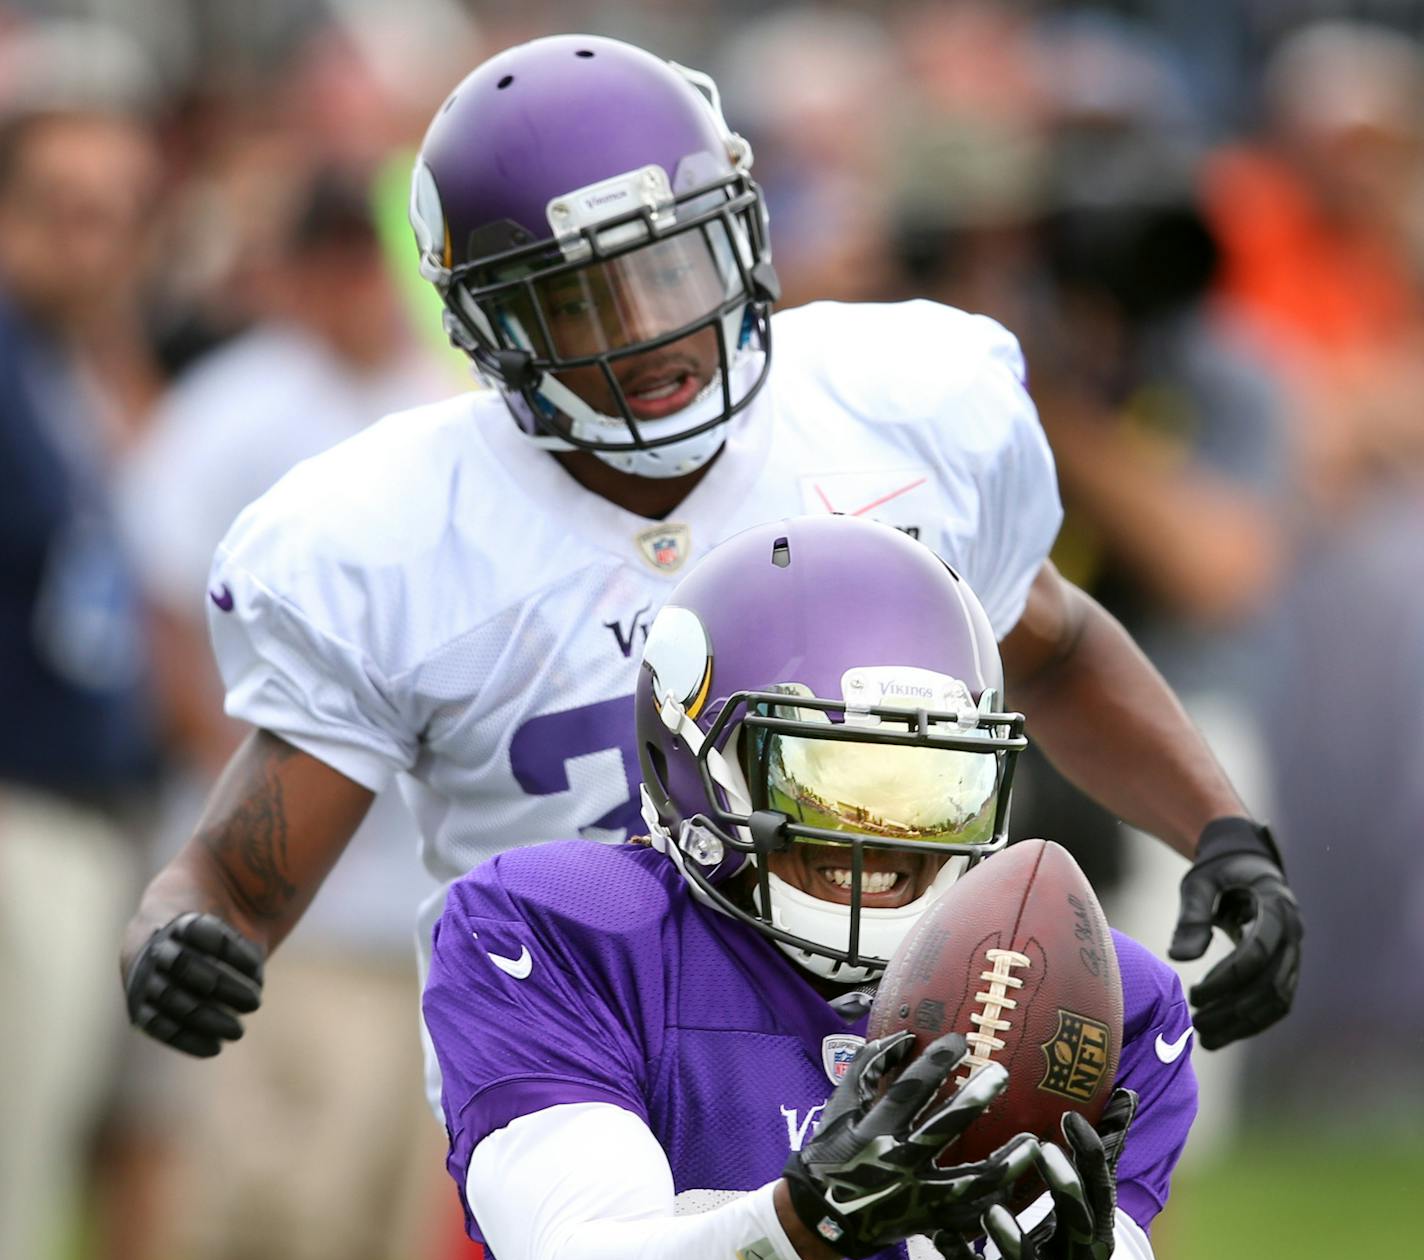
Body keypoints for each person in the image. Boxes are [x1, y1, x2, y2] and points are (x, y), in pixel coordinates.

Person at [119, 32, 1298, 1079]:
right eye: (578, 301)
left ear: (739, 230)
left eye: (668, 267)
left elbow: (1049, 644)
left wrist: (1220, 832)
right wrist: (176, 933)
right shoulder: (389, 535)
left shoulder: (901, 405)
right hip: (591, 1078)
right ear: (489, 326)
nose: (644, 331)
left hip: (899, 1034)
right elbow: (232, 877)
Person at [419, 516, 1195, 1260]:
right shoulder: (564, 932)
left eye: (924, 790)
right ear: (696, 764)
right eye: (833, 779)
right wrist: (806, 1220)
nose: (877, 843)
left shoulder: (1076, 1000)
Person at [102, 164, 453, 1260]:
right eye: (333, 262)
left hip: (413, 892)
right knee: (256, 1197)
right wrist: (222, 772)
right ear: (296, 269)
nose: (355, 289)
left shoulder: (436, 401)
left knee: (375, 1216)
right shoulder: (237, 406)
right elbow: (159, 592)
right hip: (283, 884)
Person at [0, 78, 160, 1260]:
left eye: (116, 208)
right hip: (15, 809)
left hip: (69, 815)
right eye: (60, 203)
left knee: (29, 1177)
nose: (91, 236)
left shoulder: (61, 369)